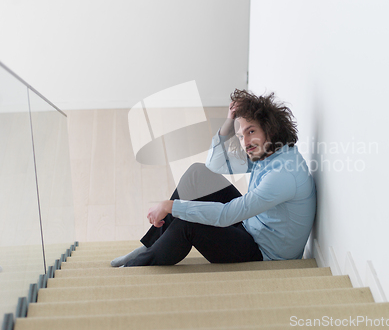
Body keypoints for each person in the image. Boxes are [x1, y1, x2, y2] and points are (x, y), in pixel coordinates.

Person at [111, 89, 316, 267]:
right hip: (251, 226)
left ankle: (140, 264)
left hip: (264, 254)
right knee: (198, 174)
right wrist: (229, 122)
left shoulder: (282, 176)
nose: (245, 142)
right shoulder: (272, 152)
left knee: (187, 223)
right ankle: (151, 246)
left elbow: (226, 215)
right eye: (241, 135)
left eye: (251, 131)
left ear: (270, 129)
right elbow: (214, 165)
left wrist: (170, 205)